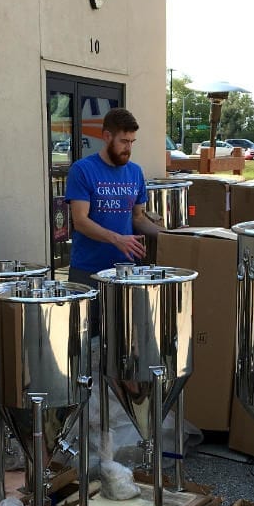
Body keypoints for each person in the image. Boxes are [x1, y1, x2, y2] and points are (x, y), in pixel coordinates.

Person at [65, 107, 159, 336]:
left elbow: (138, 218)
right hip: (88, 272)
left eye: (132, 142)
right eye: (124, 141)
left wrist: (170, 236)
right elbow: (80, 221)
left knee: (124, 340)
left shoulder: (135, 173)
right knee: (87, 340)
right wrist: (117, 239)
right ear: (106, 136)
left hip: (125, 273)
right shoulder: (82, 170)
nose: (128, 148)